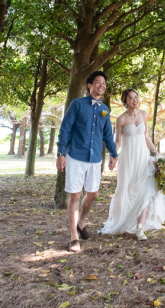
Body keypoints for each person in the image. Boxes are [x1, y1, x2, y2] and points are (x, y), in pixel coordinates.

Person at [56, 71, 118, 252]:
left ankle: (80, 222)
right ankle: (74, 237)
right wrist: (60, 153)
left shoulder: (104, 109)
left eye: (104, 83)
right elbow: (65, 128)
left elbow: (107, 134)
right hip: (75, 155)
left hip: (94, 159)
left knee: (93, 194)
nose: (102, 85)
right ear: (89, 85)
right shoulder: (77, 104)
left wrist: (114, 154)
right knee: (74, 195)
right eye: (98, 82)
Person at [100, 89, 165, 240]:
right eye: (131, 98)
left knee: (144, 190)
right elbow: (117, 142)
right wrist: (113, 155)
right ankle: (123, 220)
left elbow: (145, 136)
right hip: (128, 159)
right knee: (128, 191)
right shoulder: (121, 119)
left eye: (136, 97)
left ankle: (140, 228)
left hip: (143, 158)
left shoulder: (144, 114)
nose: (134, 100)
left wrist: (155, 151)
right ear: (125, 101)